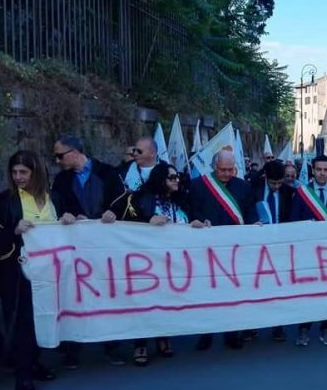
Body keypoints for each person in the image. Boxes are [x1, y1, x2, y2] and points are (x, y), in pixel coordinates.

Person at [0, 151, 77, 390]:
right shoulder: (1, 203)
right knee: (24, 323)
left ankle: (33, 363)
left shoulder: (55, 198)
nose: (18, 177)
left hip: (52, 273)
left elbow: (71, 227)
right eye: (14, 172)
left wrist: (71, 220)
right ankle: (23, 378)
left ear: (36, 172)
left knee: (45, 318)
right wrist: (14, 231)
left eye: (23, 172)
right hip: (18, 273)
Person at [52, 134, 127, 369]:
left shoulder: (108, 173)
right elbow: (58, 207)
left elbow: (122, 203)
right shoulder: (61, 181)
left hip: (106, 248)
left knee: (108, 294)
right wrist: (68, 216)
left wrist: (111, 213)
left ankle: (111, 346)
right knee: (74, 295)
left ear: (75, 152)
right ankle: (72, 350)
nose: (57, 160)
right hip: (76, 249)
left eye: (60, 155)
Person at [115, 163, 188, 365]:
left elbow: (191, 218)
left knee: (166, 300)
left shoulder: (181, 199)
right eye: (172, 178)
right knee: (144, 302)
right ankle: (140, 344)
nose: (177, 180)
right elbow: (128, 226)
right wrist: (148, 221)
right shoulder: (141, 200)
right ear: (160, 180)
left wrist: (199, 223)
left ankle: (163, 336)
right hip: (146, 263)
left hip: (173, 262)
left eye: (177, 177)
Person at [189, 150, 259, 351]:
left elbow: (250, 213)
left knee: (233, 293)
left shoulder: (244, 187)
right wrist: (200, 222)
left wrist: (256, 225)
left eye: (231, 170)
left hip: (235, 251)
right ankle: (206, 333)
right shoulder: (199, 186)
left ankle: (232, 332)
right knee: (208, 293)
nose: (227, 173)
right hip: (207, 250)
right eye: (223, 170)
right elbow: (193, 212)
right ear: (214, 167)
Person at [289, 154, 327, 346]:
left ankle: (326, 328)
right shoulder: (301, 193)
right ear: (313, 171)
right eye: (319, 169)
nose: (322, 173)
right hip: (308, 252)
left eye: (326, 170)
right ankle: (304, 329)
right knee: (307, 292)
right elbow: (293, 221)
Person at [243, 160, 296, 343]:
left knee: (278, 288)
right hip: (257, 248)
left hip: (280, 248)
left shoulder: (289, 192)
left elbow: (292, 218)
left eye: (280, 182)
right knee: (254, 288)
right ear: (266, 178)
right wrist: (251, 224)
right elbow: (246, 212)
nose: (277, 186)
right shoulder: (252, 189)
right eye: (273, 183)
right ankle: (252, 326)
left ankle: (277, 326)